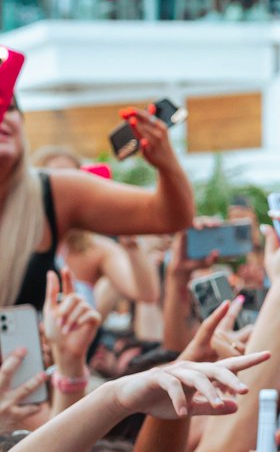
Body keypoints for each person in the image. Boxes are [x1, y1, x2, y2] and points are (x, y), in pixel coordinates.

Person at [0, 97, 193, 312]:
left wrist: (166, 163)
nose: (2, 115)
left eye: (9, 107)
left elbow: (170, 216)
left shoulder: (54, 192)